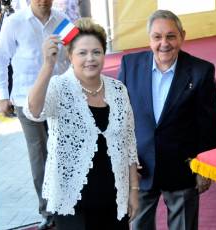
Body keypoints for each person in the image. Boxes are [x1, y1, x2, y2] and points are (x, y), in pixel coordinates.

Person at [23, 17, 140, 230]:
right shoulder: (59, 87)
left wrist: (133, 191)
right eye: (82, 53)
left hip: (114, 197)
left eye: (96, 52)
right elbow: (33, 111)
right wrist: (48, 66)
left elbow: (129, 146)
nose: (90, 59)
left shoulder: (118, 90)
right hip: (72, 201)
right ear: (69, 56)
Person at [118, 9, 216, 230]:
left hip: (182, 170)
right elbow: (119, 118)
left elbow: (208, 124)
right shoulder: (129, 65)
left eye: (171, 36)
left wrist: (204, 168)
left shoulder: (201, 71)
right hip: (140, 169)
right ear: (149, 39)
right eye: (157, 37)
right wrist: (124, 160)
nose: (164, 43)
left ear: (182, 36)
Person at [0, 0, 70, 229]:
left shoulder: (62, 21)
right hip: (25, 100)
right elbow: (0, 58)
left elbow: (76, 53)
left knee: (64, 152)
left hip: (59, 98)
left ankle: (68, 204)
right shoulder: (14, 22)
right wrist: (3, 94)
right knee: (39, 155)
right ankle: (48, 211)